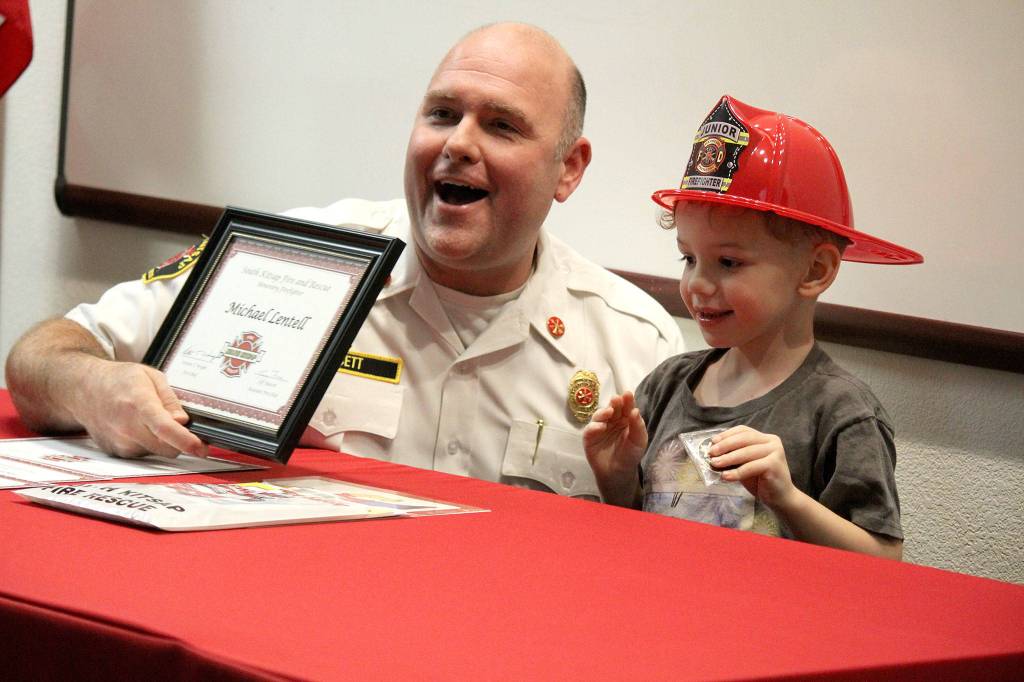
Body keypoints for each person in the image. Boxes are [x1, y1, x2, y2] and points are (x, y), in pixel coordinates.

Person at [5, 23, 684, 499]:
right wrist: (95, 389)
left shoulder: (632, 340)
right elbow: (40, 357)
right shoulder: (290, 261)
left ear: (569, 168)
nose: (458, 145)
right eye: (442, 114)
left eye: (501, 125)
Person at [583, 95, 922, 556]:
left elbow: (885, 560)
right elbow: (637, 532)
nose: (698, 283)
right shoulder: (667, 385)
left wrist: (788, 499)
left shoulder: (841, 411)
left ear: (815, 271)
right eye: (689, 258)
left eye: (728, 262)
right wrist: (616, 477)